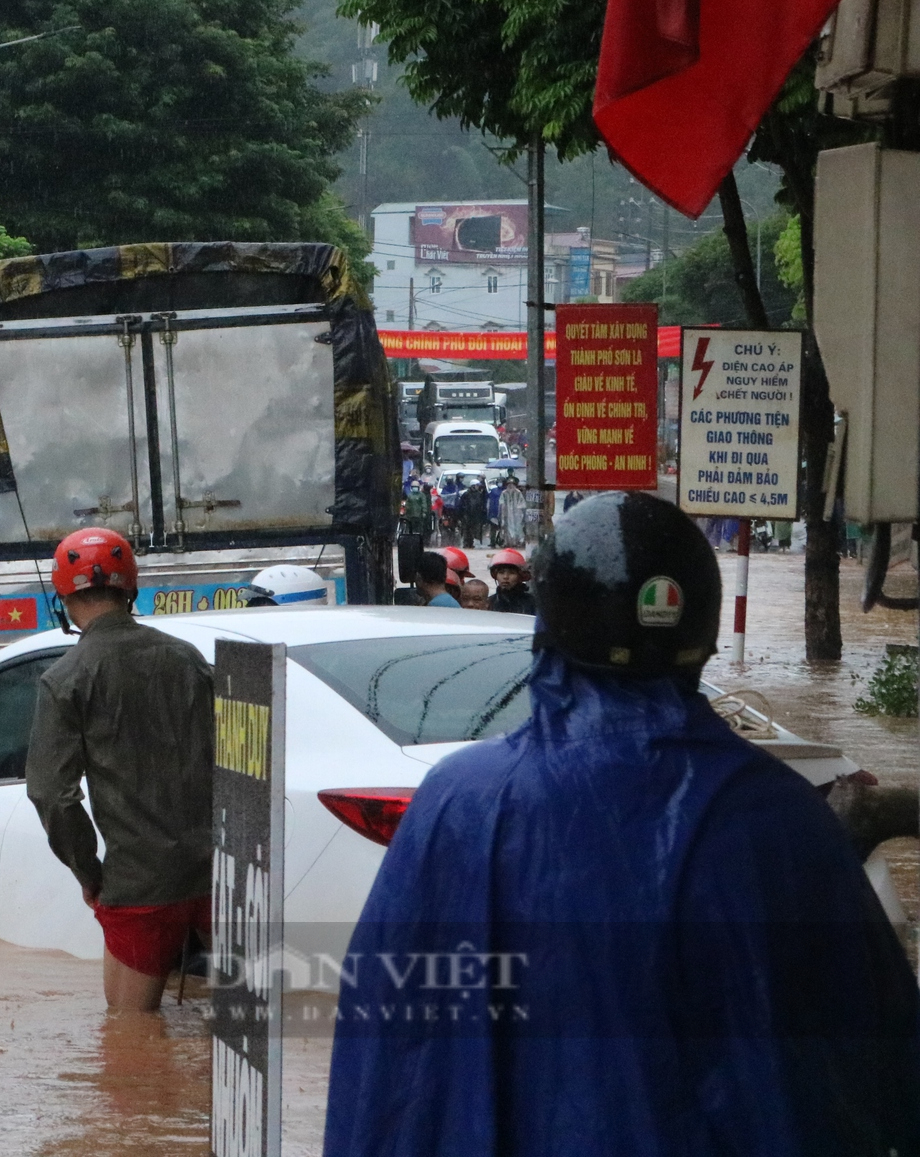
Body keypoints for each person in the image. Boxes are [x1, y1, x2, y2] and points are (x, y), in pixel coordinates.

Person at [326, 493, 919, 1157]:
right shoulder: (785, 821)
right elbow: (885, 1068)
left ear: (548, 630)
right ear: (702, 638)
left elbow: (382, 1076)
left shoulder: (458, 807)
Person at [27, 528, 213, 1013]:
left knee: (130, 1044)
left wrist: (88, 872)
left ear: (63, 595)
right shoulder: (188, 659)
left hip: (139, 887)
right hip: (216, 876)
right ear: (130, 587)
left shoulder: (66, 678)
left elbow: (51, 793)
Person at [487, 546, 535, 614]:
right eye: (501, 572)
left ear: (520, 576)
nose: (505, 577)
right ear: (495, 575)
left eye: (511, 573)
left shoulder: (533, 603)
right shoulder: (489, 602)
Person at [457, 477, 488, 549]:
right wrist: (461, 516)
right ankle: (466, 543)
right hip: (467, 516)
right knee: (467, 531)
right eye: (477, 485)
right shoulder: (466, 494)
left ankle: (475, 543)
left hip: (477, 516)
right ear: (473, 486)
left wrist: (483, 515)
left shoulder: (479, 494)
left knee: (476, 530)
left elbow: (482, 505)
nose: (478, 487)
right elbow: (461, 505)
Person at [498, 475, 527, 548]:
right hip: (507, 513)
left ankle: (516, 542)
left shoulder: (518, 493)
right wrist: (503, 507)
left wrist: (519, 508)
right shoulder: (504, 493)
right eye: (509, 484)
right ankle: (508, 542)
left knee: (517, 527)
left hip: (516, 514)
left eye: (512, 484)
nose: (510, 486)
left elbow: (522, 503)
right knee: (507, 527)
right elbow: (501, 502)